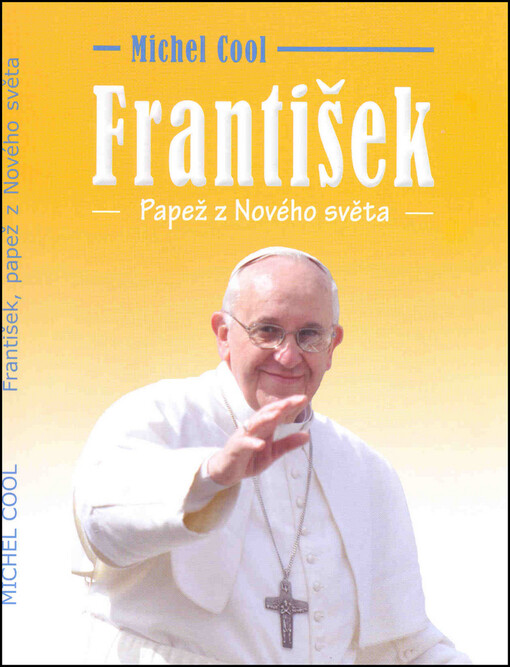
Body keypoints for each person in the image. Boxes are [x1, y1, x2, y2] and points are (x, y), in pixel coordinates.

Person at [73, 247, 470, 665]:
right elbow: (101, 525)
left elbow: (402, 646)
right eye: (267, 330)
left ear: (332, 346)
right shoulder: (158, 415)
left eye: (309, 335)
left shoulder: (366, 470)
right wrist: (208, 477)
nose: (288, 355)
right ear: (223, 334)